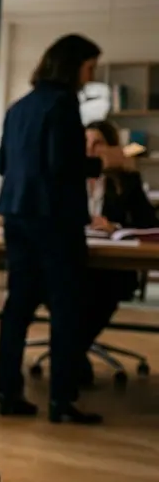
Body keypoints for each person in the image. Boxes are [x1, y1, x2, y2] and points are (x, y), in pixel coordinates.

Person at [0, 33, 104, 424]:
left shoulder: (18, 106)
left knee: (18, 306)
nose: (90, 76)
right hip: (55, 220)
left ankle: (8, 393)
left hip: (17, 215)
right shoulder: (63, 103)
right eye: (89, 67)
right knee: (66, 309)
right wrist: (102, 163)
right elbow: (63, 165)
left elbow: (3, 164)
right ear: (73, 65)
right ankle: (61, 401)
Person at [76, 120, 158, 384]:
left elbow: (148, 225)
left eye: (97, 143)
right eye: (86, 143)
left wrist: (115, 227)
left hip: (110, 267)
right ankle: (74, 355)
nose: (90, 149)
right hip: (73, 259)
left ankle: (71, 353)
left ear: (111, 147)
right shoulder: (69, 177)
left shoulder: (125, 179)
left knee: (103, 289)